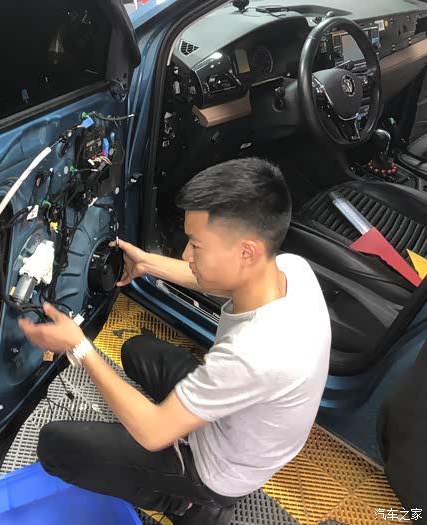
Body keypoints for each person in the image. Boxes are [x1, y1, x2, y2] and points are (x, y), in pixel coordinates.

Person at [19, 158, 332, 524]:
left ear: (246, 251)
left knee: (55, 445)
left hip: (219, 469)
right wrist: (148, 264)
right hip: (242, 420)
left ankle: (186, 503)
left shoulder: (255, 353)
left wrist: (79, 345)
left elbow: (153, 432)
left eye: (196, 246)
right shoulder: (290, 268)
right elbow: (220, 279)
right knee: (136, 350)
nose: (185, 254)